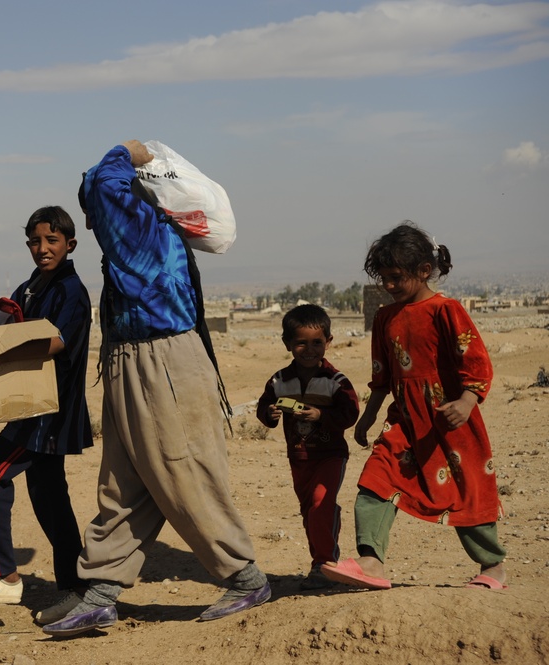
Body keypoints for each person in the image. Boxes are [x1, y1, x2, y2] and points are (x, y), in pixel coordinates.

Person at [42, 141, 269, 638]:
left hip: (163, 362)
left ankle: (244, 576)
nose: (91, 218)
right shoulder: (134, 233)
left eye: (92, 209)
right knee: (124, 483)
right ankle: (100, 592)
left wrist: (128, 150)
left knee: (183, 470)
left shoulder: (139, 227)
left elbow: (104, 183)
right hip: (132, 359)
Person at [322, 221, 507, 591]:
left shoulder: (446, 310)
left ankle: (493, 567)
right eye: (384, 278)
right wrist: (367, 419)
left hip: (450, 420)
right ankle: (371, 562)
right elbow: (383, 377)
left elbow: (476, 363)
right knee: (376, 479)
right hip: (404, 420)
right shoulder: (385, 318)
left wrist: (467, 401)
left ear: (424, 271)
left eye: (395, 278)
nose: (388, 286)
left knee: (467, 489)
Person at [0, 205, 94, 622]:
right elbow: (2, 329)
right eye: (35, 241)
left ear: (70, 244)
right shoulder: (30, 287)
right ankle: (76, 589)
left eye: (51, 241)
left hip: (49, 410)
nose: (42, 248)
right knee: (50, 500)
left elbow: (55, 342)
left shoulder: (72, 291)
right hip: (31, 407)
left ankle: (3, 576)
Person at [256, 304, 359, 590]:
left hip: (330, 456)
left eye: (317, 342)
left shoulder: (335, 381)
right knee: (309, 511)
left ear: (328, 342)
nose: (309, 349)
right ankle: (320, 561)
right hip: (299, 458)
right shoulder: (279, 380)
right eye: (301, 343)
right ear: (287, 343)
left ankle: (324, 564)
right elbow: (264, 405)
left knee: (320, 504)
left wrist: (322, 416)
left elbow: (350, 413)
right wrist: (270, 414)